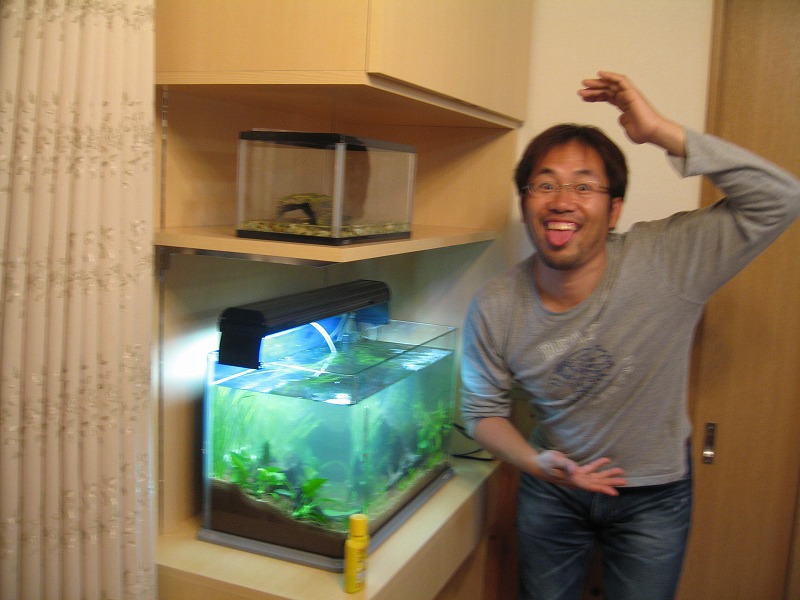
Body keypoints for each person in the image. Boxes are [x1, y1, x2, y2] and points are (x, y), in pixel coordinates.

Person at [460, 71, 800, 600]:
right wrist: (535, 462)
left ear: (614, 209)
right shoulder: (496, 304)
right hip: (551, 490)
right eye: (545, 185)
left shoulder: (667, 260)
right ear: (525, 204)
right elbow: (481, 412)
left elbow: (781, 198)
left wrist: (660, 131)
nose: (562, 200)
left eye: (584, 186)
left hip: (655, 495)